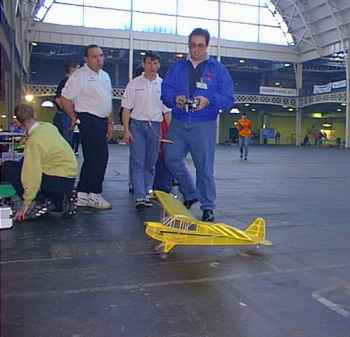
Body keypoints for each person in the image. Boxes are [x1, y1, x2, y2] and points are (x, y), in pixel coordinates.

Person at [161, 28, 234, 222]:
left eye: (200, 45)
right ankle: (190, 193)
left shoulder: (218, 69)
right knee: (171, 158)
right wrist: (174, 98)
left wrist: (209, 101)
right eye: (192, 45)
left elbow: (228, 98)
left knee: (204, 167)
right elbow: (165, 91)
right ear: (188, 45)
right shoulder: (177, 68)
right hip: (178, 122)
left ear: (207, 46)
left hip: (204, 125)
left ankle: (208, 206)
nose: (196, 49)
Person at [60, 44, 113, 209]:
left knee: (91, 158)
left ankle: (83, 193)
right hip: (88, 119)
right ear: (86, 59)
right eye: (94, 56)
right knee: (100, 156)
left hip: (102, 120)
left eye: (101, 55)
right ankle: (95, 194)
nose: (99, 59)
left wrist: (110, 122)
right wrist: (73, 117)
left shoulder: (105, 76)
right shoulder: (79, 76)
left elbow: (107, 100)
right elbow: (65, 99)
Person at [3, 104, 78, 221]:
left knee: (9, 167)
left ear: (18, 121)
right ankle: (60, 199)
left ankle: (39, 201)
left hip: (54, 179)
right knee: (24, 162)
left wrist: (26, 202)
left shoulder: (34, 141)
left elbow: (31, 174)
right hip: (69, 178)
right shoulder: (48, 127)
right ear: (35, 114)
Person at [121, 51, 170, 209]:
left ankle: (147, 192)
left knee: (150, 163)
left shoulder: (163, 85)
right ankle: (140, 196)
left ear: (159, 65)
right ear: (143, 64)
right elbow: (126, 109)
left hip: (155, 127)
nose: (152, 66)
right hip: (137, 126)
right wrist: (126, 130)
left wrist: (170, 132)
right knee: (137, 162)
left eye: (155, 63)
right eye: (149, 63)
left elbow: (167, 111)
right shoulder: (134, 84)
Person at [53, 63, 78, 144]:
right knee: (66, 142)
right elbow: (58, 99)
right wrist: (69, 113)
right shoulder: (67, 82)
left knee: (65, 141)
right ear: (71, 69)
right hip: (65, 116)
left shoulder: (66, 82)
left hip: (64, 115)